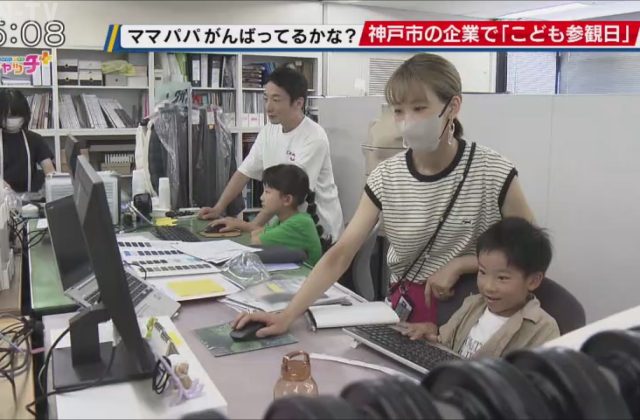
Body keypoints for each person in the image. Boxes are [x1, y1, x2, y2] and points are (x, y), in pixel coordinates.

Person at [232, 52, 535, 338]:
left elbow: (531, 249)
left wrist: (462, 264)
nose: (407, 120)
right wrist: (287, 315)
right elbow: (341, 254)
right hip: (407, 312)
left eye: (419, 108)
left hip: (474, 316)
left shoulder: (492, 170)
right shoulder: (387, 176)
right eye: (398, 110)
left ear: (453, 106)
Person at [197, 66, 344, 245]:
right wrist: (218, 208)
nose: (268, 107)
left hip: (319, 233)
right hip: (285, 227)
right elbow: (244, 172)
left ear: (298, 103)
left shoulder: (314, 137)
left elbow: (287, 192)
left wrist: (250, 225)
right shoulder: (269, 131)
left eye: (276, 99)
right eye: (266, 98)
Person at [402, 217, 560, 358]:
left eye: (502, 278)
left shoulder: (544, 329)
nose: (488, 286)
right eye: (482, 272)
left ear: (533, 281)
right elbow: (444, 342)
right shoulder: (472, 304)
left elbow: (535, 379)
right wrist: (430, 332)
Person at [211, 164, 323, 266]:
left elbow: (256, 241)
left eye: (267, 192)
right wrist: (240, 225)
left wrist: (255, 231)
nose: (261, 197)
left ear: (287, 199)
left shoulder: (299, 223)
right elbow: (260, 232)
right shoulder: (284, 219)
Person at [0, 89, 55, 193]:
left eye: (17, 115)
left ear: (25, 115)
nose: (13, 120)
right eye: (8, 116)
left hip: (29, 198)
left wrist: (50, 184)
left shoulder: (35, 139)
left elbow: (49, 170)